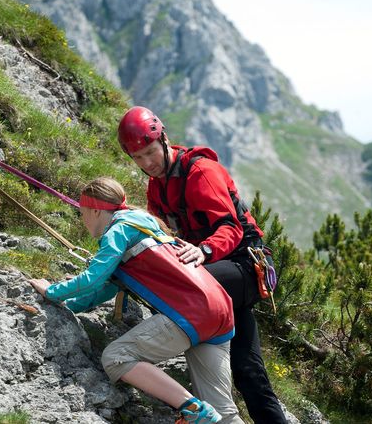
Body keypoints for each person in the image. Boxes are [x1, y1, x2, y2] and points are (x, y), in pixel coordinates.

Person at [118, 107, 287, 423]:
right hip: (220, 275)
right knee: (248, 371)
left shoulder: (202, 172)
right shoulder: (157, 187)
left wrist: (203, 251)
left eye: (151, 152)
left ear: (165, 139)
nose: (147, 163)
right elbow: (162, 232)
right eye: (138, 158)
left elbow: (231, 228)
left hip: (244, 267)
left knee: (184, 288)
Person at [29, 177, 243, 424]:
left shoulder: (117, 231)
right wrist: (68, 306)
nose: (82, 220)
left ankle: (193, 410)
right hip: (220, 311)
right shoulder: (144, 222)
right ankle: (207, 413)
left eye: (82, 213)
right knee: (224, 413)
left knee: (116, 357)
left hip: (191, 314)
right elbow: (107, 288)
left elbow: (94, 278)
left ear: (95, 211)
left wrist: (51, 292)